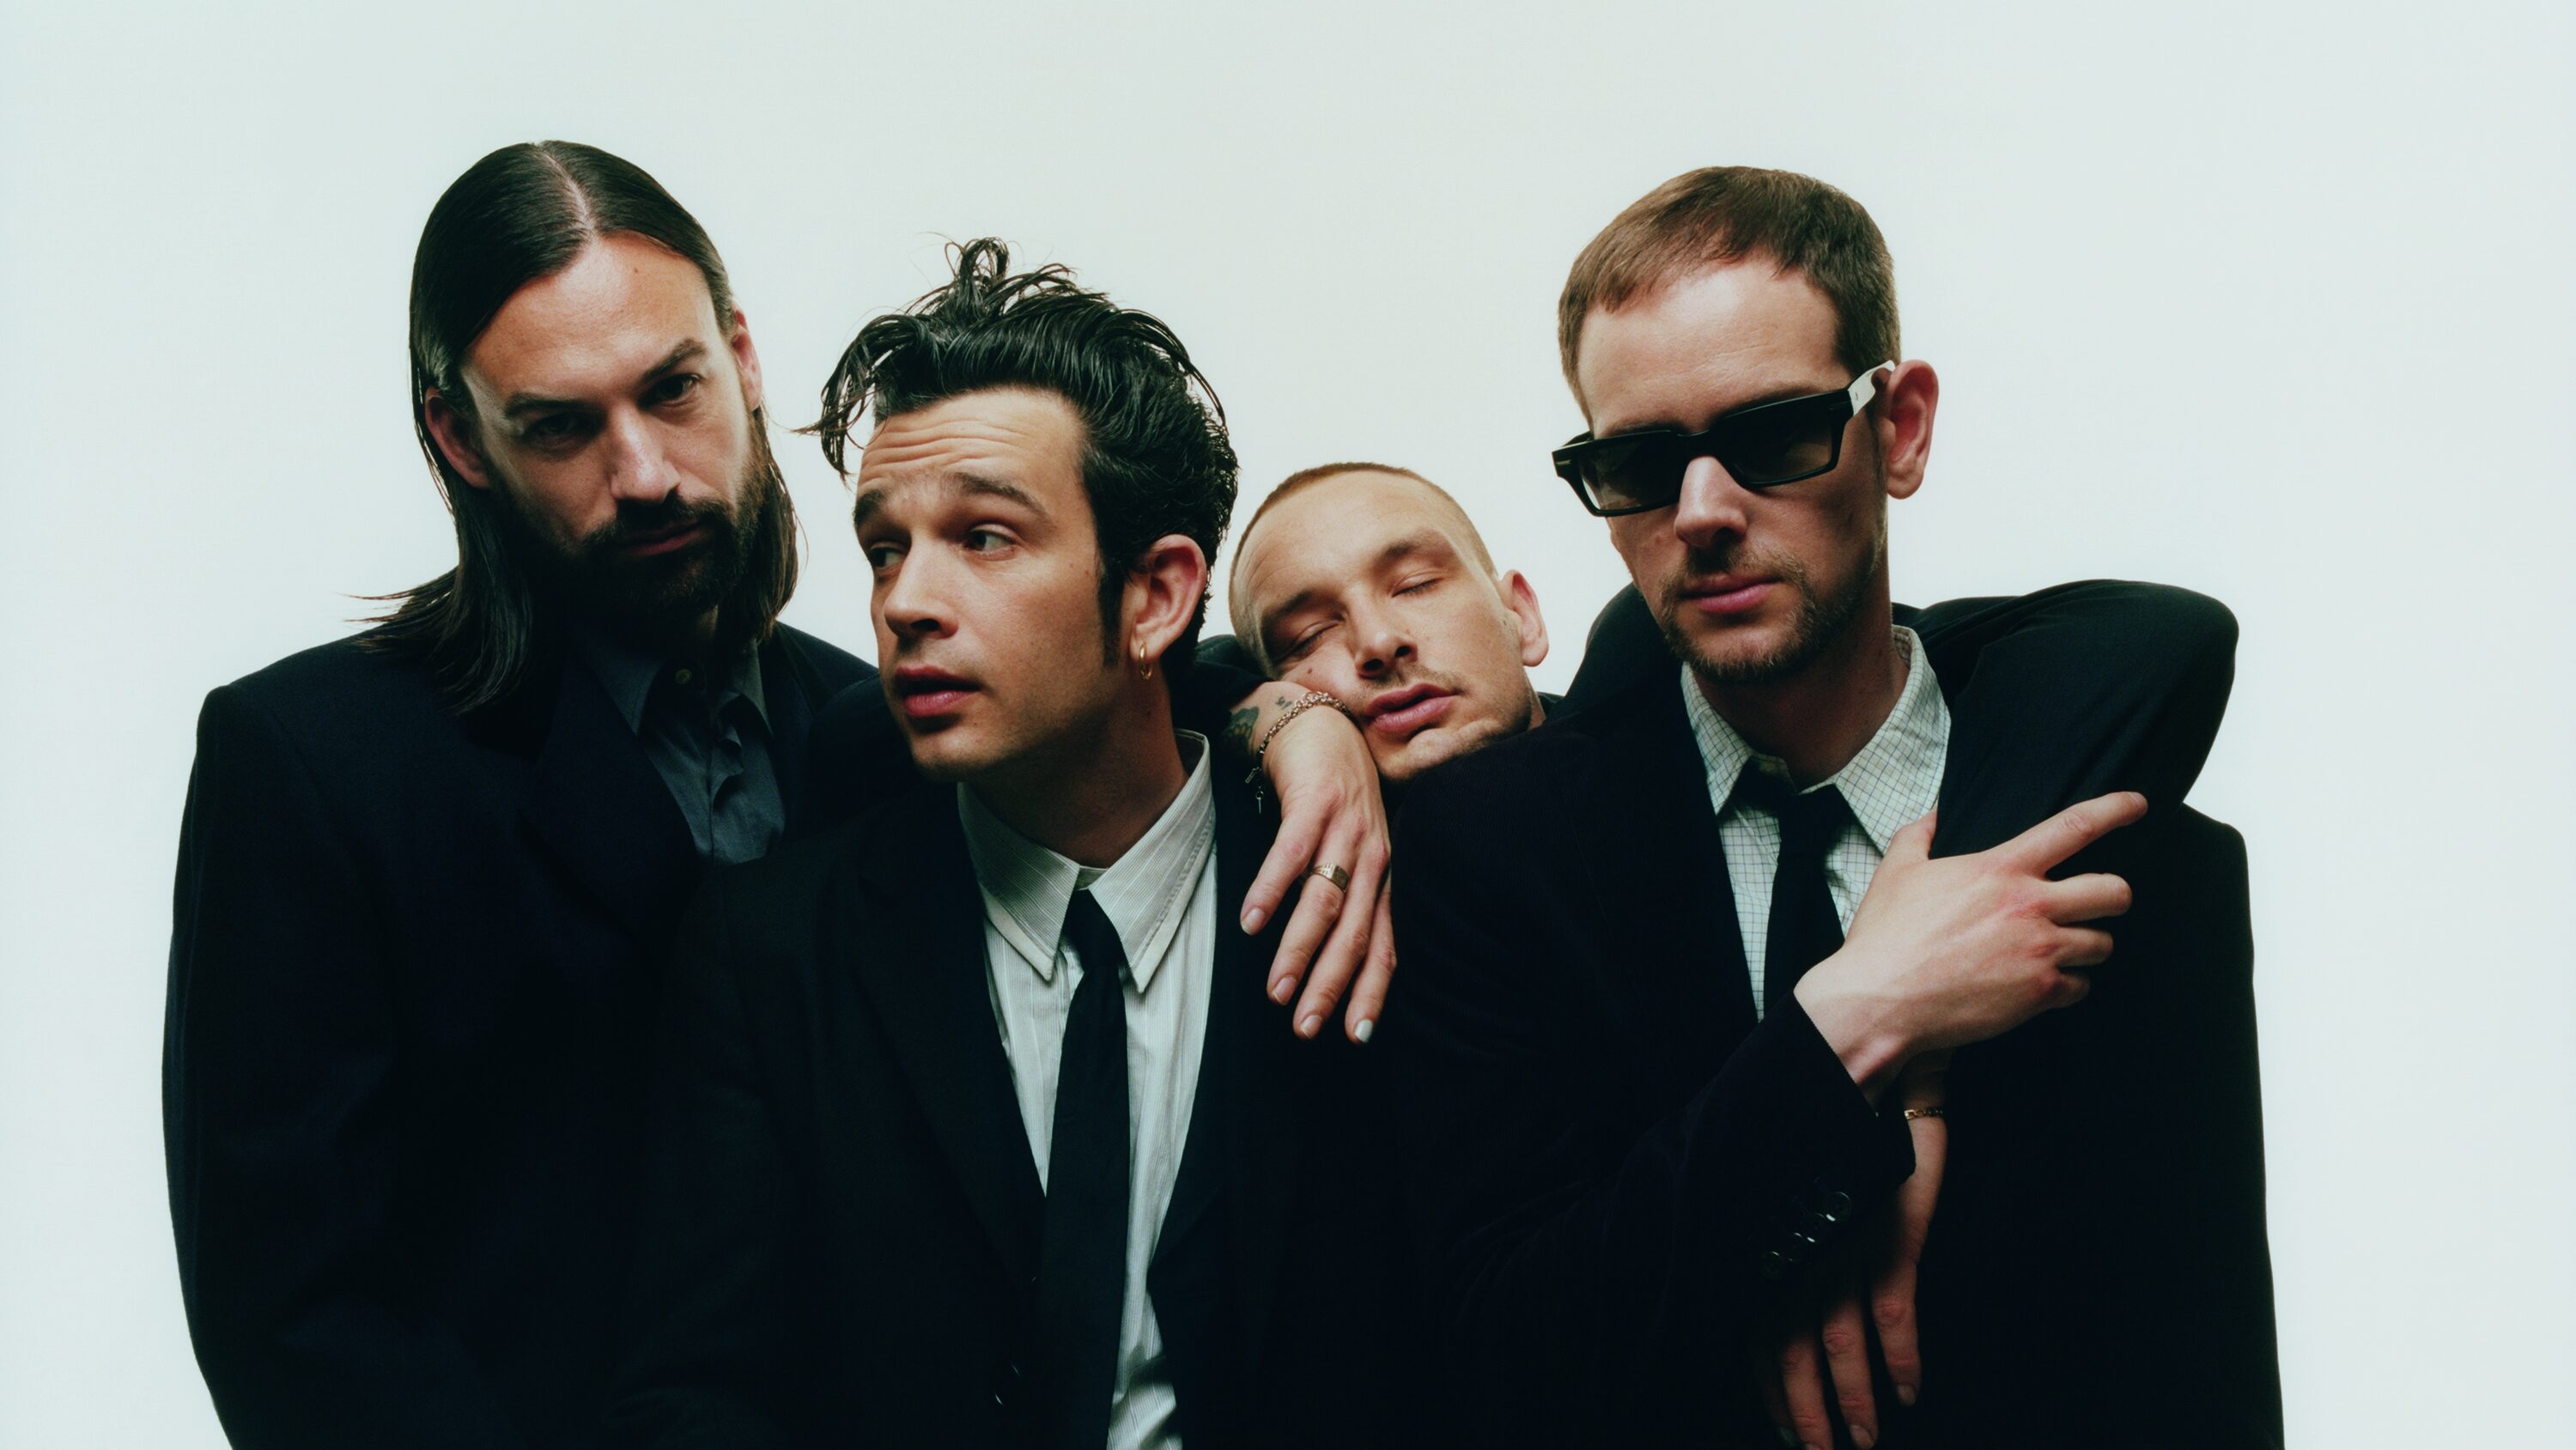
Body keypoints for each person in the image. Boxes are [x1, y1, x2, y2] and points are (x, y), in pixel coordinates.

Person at [161, 142, 1382, 1447]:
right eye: (560, 425)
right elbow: (295, 1319)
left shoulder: (872, 726)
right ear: (461, 437)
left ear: (741, 360)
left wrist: (1295, 711)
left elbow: (1097, 690)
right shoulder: (315, 759)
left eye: (672, 388)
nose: (645, 472)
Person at [1384, 166, 2280, 1448]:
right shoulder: (1485, 853)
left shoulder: (2143, 859)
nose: (1702, 512)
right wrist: (1857, 1022)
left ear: (1899, 430)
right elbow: (1505, 1359)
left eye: (1774, 436)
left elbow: (2199, 1365)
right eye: (1639, 463)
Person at [605, 240, 1424, 1447]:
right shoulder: (770, 953)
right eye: (886, 547)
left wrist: (1310, 720)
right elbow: (697, 1390)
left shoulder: (1352, 875)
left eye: (984, 536)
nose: (904, 601)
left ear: (1156, 597)